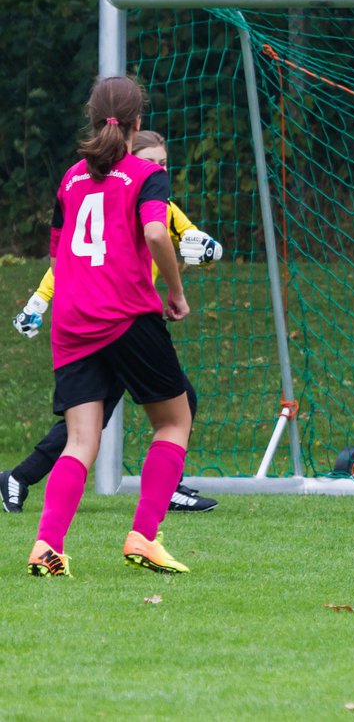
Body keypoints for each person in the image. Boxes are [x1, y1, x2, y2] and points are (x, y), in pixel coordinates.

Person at [27, 76, 197, 576]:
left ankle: (46, 546)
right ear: (137, 122)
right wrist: (175, 290)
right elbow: (154, 231)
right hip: (124, 315)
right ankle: (143, 536)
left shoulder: (70, 179)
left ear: (94, 116)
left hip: (72, 322)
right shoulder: (146, 173)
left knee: (81, 441)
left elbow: (58, 253)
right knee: (174, 420)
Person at [2, 130, 221, 515]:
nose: (159, 169)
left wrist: (206, 249)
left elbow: (189, 236)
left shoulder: (163, 205)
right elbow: (66, 265)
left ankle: (22, 480)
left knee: (92, 424)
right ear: (131, 162)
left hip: (126, 323)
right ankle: (159, 497)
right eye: (151, 162)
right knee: (114, 420)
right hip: (118, 323)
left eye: (164, 163)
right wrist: (38, 302)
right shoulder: (118, 199)